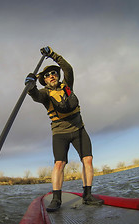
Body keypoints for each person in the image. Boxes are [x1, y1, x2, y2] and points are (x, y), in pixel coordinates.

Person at [25, 46, 103, 212]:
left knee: (87, 160)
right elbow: (35, 96)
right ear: (44, 80)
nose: (51, 76)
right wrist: (30, 87)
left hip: (79, 129)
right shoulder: (44, 94)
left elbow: (68, 68)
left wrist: (53, 55)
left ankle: (87, 196)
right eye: (47, 75)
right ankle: (56, 199)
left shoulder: (67, 85)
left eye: (53, 73)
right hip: (59, 133)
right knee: (59, 163)